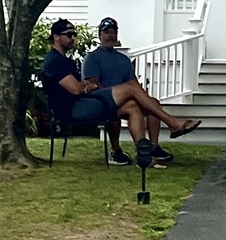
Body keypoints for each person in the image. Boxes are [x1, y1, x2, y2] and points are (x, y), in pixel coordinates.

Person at [39, 20, 201, 151]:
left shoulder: (65, 60)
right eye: (68, 35)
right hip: (72, 109)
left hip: (84, 103)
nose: (72, 38)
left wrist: (85, 86)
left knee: (133, 106)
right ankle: (173, 123)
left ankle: (144, 150)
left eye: (74, 34)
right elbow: (76, 89)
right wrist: (87, 86)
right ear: (56, 37)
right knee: (131, 87)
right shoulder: (54, 61)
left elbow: (82, 85)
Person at [82, 17, 177, 164]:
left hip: (127, 100)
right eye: (106, 32)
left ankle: (153, 147)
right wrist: (117, 96)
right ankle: (118, 151)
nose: (110, 36)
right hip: (103, 102)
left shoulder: (124, 60)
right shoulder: (92, 58)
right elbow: (93, 85)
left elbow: (133, 84)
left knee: (153, 103)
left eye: (113, 32)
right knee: (132, 106)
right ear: (100, 35)